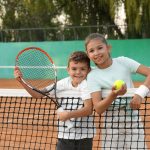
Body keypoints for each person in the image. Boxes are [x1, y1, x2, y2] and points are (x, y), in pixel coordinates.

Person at [14, 51, 95, 150]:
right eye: (74, 69)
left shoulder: (88, 85)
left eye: (82, 69)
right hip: (64, 137)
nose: (78, 72)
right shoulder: (61, 84)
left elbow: (88, 109)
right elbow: (37, 94)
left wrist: (68, 115)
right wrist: (21, 81)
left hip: (84, 137)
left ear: (89, 70)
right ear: (68, 70)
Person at [85, 33, 150, 149]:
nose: (96, 53)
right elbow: (98, 109)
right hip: (111, 126)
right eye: (91, 51)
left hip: (133, 121)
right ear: (88, 54)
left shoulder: (123, 62)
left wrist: (140, 94)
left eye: (100, 48)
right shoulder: (92, 76)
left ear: (108, 48)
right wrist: (113, 95)